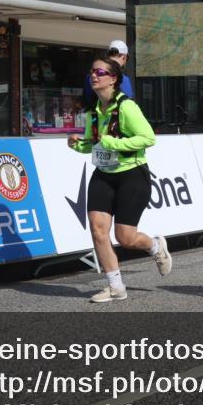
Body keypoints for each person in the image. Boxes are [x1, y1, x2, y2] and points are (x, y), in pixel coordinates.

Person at [68, 56, 171, 302]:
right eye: (92, 72)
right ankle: (116, 287)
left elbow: (148, 138)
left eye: (100, 72)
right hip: (103, 174)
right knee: (98, 230)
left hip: (132, 175)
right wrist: (77, 144)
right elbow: (95, 145)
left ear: (113, 79)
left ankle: (155, 246)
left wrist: (111, 142)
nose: (94, 76)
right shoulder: (94, 112)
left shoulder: (127, 107)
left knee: (125, 238)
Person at [84, 40, 134, 109]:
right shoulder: (124, 79)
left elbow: (87, 100)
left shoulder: (90, 76)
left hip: (96, 115)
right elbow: (129, 105)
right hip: (116, 117)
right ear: (124, 57)